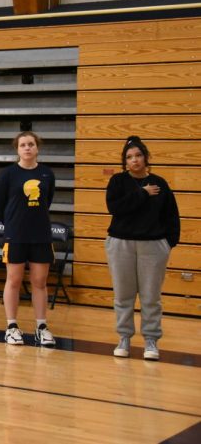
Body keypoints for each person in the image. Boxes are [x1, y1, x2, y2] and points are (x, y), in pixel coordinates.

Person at [105, 136, 180, 360]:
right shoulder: (118, 182)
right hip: (121, 244)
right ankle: (124, 338)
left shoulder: (160, 183)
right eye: (129, 157)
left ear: (146, 157)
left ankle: (151, 341)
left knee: (150, 297)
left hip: (153, 247)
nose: (134, 160)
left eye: (138, 155)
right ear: (124, 162)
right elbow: (115, 208)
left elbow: (171, 216)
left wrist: (168, 243)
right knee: (123, 296)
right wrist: (142, 193)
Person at [0, 131, 56, 347]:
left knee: (39, 282)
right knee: (14, 280)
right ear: (17, 149)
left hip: (40, 234)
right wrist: (13, 223)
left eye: (31, 144)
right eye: (23, 145)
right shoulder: (8, 174)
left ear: (37, 148)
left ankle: (41, 326)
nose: (27, 148)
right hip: (16, 234)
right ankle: (11, 326)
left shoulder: (47, 174)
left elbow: (46, 202)